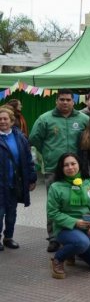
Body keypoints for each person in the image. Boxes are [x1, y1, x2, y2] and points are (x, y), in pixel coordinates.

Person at [30, 89, 89, 252]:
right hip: (53, 169)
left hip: (77, 171)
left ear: (73, 101)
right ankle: (54, 238)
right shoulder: (45, 119)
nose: (65, 102)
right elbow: (35, 138)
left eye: (68, 100)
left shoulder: (84, 119)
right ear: (56, 101)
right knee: (53, 205)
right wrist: (48, 154)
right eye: (61, 99)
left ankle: (75, 233)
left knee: (77, 203)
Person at [47, 153, 90, 279]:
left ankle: (73, 250)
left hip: (86, 226)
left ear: (79, 165)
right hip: (65, 228)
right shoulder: (56, 187)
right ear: (61, 168)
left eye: (73, 164)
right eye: (66, 165)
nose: (70, 167)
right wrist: (75, 222)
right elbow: (52, 213)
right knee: (82, 242)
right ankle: (58, 259)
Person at [0, 107, 36, 251]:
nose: (2, 121)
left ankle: (9, 237)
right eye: (0, 119)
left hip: (14, 183)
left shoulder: (20, 137)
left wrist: (32, 178)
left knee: (11, 213)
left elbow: (28, 159)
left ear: (11, 120)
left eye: (5, 119)